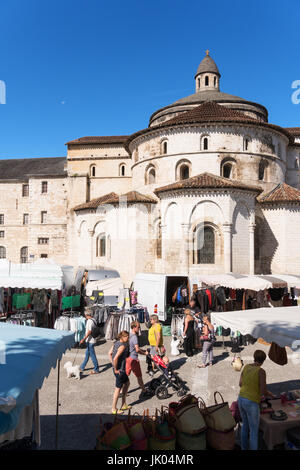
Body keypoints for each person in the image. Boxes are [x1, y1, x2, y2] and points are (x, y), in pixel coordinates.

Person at [238, 350, 276, 450]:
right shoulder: (261, 371)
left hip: (241, 398)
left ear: (254, 357)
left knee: (245, 426)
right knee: (254, 431)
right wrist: (271, 395)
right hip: (251, 402)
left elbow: (240, 384)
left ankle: (244, 448)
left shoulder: (246, 367)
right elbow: (263, 391)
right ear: (263, 360)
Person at [126, 321, 152, 399]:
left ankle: (122, 391)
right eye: (138, 327)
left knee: (125, 376)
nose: (139, 328)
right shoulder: (134, 337)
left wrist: (143, 350)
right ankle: (144, 391)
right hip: (133, 359)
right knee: (139, 376)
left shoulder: (129, 335)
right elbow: (137, 349)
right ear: (134, 327)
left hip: (127, 358)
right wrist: (145, 353)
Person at [108, 330, 131, 415]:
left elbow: (109, 353)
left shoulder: (115, 343)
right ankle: (114, 408)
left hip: (121, 370)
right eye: (127, 337)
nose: (128, 339)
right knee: (118, 389)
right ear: (123, 337)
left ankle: (124, 404)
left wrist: (112, 364)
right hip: (120, 370)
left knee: (127, 383)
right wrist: (115, 368)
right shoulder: (122, 346)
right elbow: (115, 358)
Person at [79, 307, 99, 374]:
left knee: (92, 356)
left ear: (87, 315)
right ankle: (82, 367)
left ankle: (96, 369)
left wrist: (83, 339)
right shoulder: (94, 319)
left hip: (90, 341)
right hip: (90, 340)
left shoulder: (89, 321)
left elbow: (89, 331)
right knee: (87, 354)